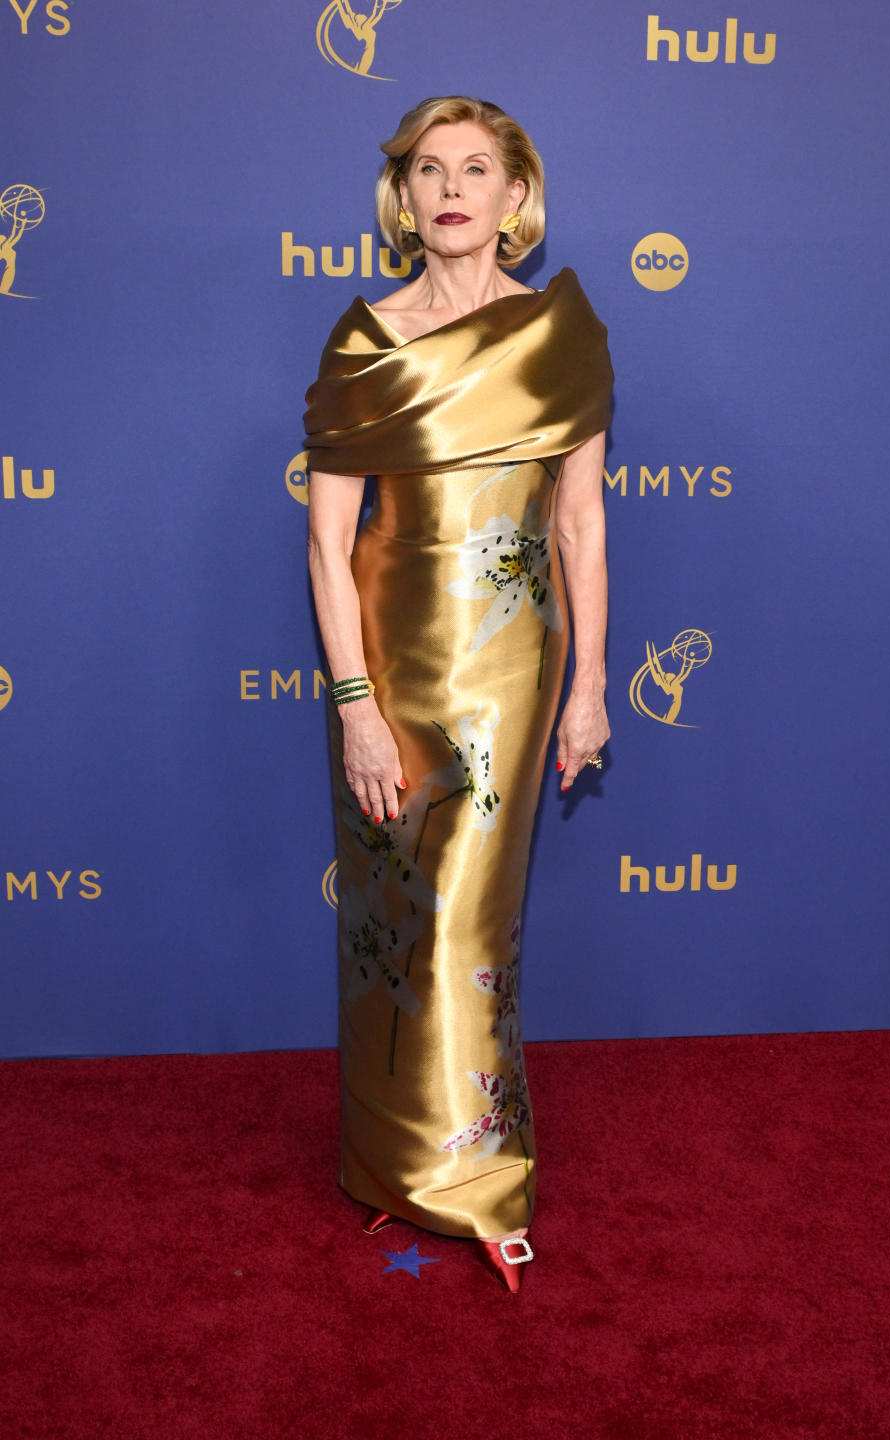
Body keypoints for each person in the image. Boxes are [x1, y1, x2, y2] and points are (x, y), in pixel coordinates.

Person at [303, 95, 614, 1292]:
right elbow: (331, 544)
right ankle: (386, 1160)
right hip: (385, 664)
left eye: (476, 169)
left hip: (509, 670)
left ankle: (478, 1173)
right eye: (428, 169)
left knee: (472, 924)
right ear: (404, 196)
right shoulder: (365, 339)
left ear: (514, 197)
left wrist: (590, 687)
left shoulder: (559, 335)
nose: (451, 188)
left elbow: (580, 524)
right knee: (393, 921)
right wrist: (352, 703)